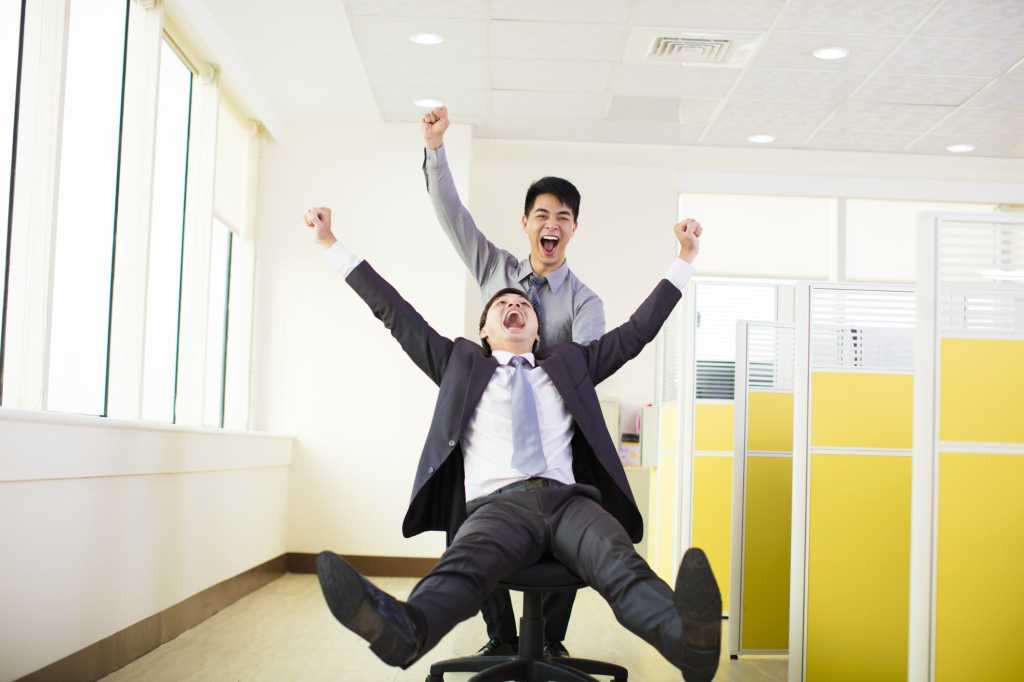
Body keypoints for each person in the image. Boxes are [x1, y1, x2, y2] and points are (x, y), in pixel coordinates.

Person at [302, 206, 721, 682]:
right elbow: (394, 312)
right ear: (485, 330)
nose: (515, 306)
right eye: (502, 305)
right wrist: (331, 244)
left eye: (523, 305)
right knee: (462, 567)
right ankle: (405, 629)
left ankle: (686, 638)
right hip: (498, 507)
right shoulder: (459, 363)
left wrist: (685, 259)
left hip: (570, 504)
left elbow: (637, 332)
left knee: (620, 563)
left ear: (538, 330)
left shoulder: (569, 364)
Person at [421, 105, 602, 656]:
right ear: (526, 223)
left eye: (564, 216)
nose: (552, 224)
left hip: (553, 440)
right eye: (542, 214)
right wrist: (434, 148)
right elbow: (450, 212)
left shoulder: (585, 302)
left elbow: (589, 368)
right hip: (490, 435)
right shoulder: (493, 267)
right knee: (467, 519)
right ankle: (501, 638)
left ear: (573, 229)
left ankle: (549, 642)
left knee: (580, 504)